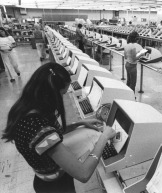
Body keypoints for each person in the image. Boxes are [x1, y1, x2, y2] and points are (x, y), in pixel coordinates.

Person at [1, 62, 116, 193]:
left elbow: (53, 133)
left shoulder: (26, 109)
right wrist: (103, 138)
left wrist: (80, 123)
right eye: (61, 94)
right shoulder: (37, 126)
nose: (61, 98)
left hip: (47, 179)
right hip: (55, 187)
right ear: (50, 93)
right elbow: (83, 174)